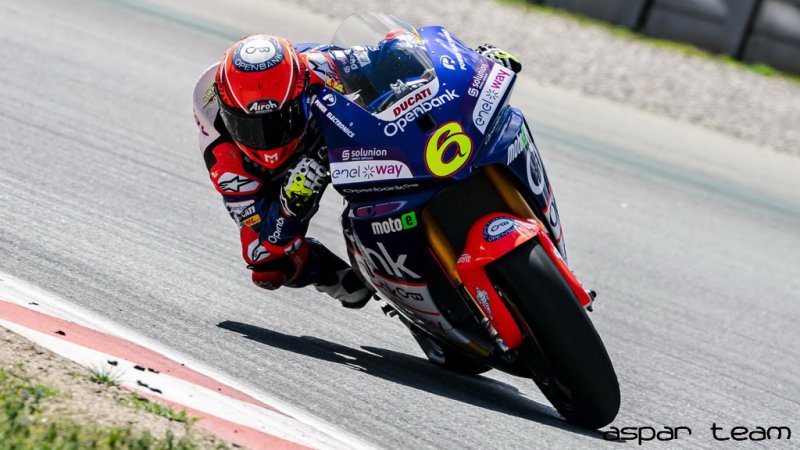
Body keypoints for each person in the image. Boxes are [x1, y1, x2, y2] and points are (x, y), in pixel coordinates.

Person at [191, 32, 521, 309]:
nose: (267, 140)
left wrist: (473, 63)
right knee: (266, 263)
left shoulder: (318, 66)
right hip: (272, 183)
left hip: (323, 136)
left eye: (279, 122)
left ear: (299, 93)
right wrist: (290, 207)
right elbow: (268, 239)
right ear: (228, 115)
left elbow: (393, 53)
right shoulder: (226, 161)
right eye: (251, 128)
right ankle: (337, 279)